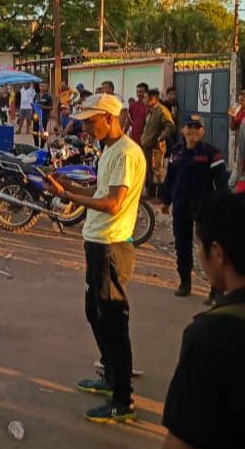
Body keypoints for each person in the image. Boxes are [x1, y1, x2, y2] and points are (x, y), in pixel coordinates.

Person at [45, 94, 145, 423]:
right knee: (95, 312)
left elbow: (114, 204)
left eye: (90, 121)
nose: (86, 128)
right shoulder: (110, 151)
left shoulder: (127, 154)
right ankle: (111, 377)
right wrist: (68, 187)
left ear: (109, 118)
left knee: (114, 321)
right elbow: (101, 194)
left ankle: (123, 399)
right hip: (98, 242)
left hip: (112, 246)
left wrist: (70, 197)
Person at [161, 193, 245, 449]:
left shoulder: (210, 336)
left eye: (199, 246)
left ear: (217, 253)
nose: (198, 254)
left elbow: (181, 441)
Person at [161, 114, 229, 299]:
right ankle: (185, 282)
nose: (192, 131)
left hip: (204, 206)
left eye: (196, 128)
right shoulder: (176, 151)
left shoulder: (211, 153)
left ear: (202, 132)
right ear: (183, 130)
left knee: (208, 247)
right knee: (182, 245)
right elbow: (170, 178)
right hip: (181, 205)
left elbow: (221, 182)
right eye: (188, 127)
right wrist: (166, 201)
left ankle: (216, 290)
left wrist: (223, 204)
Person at [140, 88, 176, 201]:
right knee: (149, 171)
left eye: (146, 98)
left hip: (156, 146)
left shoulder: (161, 110)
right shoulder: (150, 111)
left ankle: (160, 196)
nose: (143, 100)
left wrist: (161, 137)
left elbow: (170, 126)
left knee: (158, 172)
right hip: (147, 146)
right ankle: (150, 193)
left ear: (153, 99)